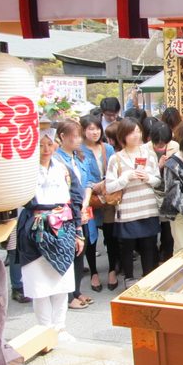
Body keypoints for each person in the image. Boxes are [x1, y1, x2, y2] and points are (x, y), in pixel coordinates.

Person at [17, 126, 84, 342]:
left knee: (61, 281)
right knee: (39, 283)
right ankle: (44, 329)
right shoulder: (24, 170)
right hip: (34, 227)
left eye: (49, 144)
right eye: (40, 145)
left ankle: (60, 327)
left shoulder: (63, 168)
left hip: (62, 226)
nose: (46, 149)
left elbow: (75, 200)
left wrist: (78, 232)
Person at [105, 118, 161, 287]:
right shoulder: (116, 159)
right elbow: (109, 187)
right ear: (123, 135)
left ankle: (149, 277)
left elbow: (158, 181)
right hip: (127, 209)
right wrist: (126, 178)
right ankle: (129, 278)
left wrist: (148, 177)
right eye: (131, 132)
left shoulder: (149, 155)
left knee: (149, 244)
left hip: (148, 207)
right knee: (127, 246)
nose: (136, 135)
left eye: (138, 131)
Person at [54, 120, 95, 310]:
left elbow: (88, 182)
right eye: (75, 136)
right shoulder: (56, 159)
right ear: (62, 136)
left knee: (81, 250)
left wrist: (85, 202)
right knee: (69, 251)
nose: (79, 140)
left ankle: (76, 291)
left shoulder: (80, 157)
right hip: (66, 213)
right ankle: (68, 295)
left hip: (82, 210)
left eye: (80, 136)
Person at [80, 114, 119, 292]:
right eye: (90, 129)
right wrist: (92, 188)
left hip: (107, 197)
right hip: (88, 200)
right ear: (83, 131)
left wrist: (104, 185)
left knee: (111, 236)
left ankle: (112, 270)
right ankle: (94, 272)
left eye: (97, 128)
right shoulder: (79, 150)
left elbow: (113, 171)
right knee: (91, 237)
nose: (94, 132)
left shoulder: (108, 148)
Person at [145, 121, 179, 262]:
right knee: (151, 231)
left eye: (163, 143)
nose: (161, 146)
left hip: (169, 192)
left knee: (168, 231)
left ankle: (166, 257)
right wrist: (158, 167)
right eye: (158, 143)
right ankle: (152, 260)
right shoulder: (144, 150)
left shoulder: (175, 147)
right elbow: (143, 174)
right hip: (151, 193)